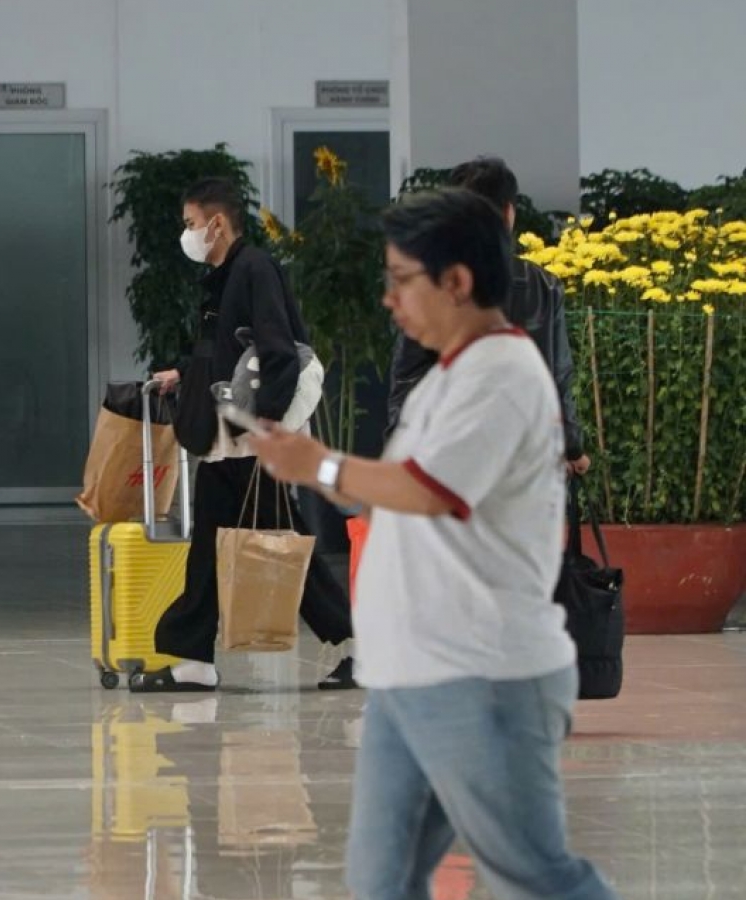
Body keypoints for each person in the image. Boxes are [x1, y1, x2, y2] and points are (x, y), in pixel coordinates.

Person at [249, 188, 617, 900]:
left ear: (457, 281)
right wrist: (320, 471)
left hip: (482, 678)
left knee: (536, 877)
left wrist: (319, 466)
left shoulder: (502, 376)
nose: (389, 300)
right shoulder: (448, 375)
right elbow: (398, 492)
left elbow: (427, 490)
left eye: (401, 279)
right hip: (411, 674)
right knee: (382, 881)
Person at [130, 177, 355, 693]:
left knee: (272, 538)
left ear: (217, 223)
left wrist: (268, 425)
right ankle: (195, 658)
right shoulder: (224, 276)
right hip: (232, 434)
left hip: (251, 435)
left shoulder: (254, 269)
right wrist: (185, 374)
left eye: (191, 223)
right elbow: (228, 353)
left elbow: (278, 351)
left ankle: (352, 645)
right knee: (223, 543)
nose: (187, 233)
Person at [387, 156, 591, 476]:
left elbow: (407, 381)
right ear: (509, 213)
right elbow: (557, 378)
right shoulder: (545, 286)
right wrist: (572, 447)